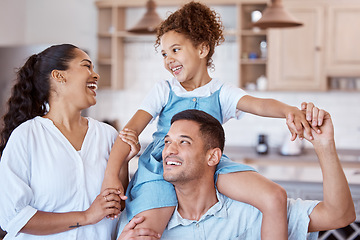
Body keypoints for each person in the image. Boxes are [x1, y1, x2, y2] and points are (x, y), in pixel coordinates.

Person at [102, 2, 323, 239]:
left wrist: (290, 111)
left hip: (207, 165)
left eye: (175, 50)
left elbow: (259, 104)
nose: (168, 59)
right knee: (144, 232)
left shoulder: (221, 92)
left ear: (202, 49)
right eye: (164, 53)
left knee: (273, 196)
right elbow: (129, 133)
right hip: (160, 167)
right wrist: (111, 176)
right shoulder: (164, 90)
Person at [117, 108, 355, 239]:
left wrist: (324, 146)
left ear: (213, 157)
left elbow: (339, 215)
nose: (169, 150)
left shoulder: (254, 214)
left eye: (184, 142)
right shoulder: (144, 224)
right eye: (167, 141)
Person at [0, 44, 155, 240]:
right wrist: (87, 216)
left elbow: (115, 208)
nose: (95, 75)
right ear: (59, 76)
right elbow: (15, 218)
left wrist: (122, 161)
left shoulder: (107, 135)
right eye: (86, 66)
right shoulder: (27, 136)